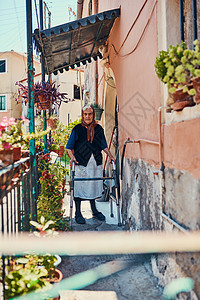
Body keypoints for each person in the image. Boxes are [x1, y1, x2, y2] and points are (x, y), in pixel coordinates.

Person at [66, 104, 115, 224]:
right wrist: (72, 158)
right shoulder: (77, 129)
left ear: (93, 115)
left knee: (93, 185)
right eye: (85, 114)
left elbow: (103, 145)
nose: (88, 116)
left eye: (90, 114)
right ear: (82, 115)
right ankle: (78, 213)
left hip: (95, 162)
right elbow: (69, 147)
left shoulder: (98, 129)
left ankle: (94, 210)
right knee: (80, 187)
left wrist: (110, 156)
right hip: (81, 162)